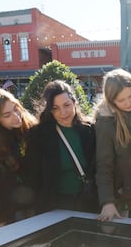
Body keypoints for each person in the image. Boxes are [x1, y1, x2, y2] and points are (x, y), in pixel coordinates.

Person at [24, 80, 97, 214]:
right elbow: (32, 176)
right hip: (54, 206)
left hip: (87, 202)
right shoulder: (39, 135)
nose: (63, 112)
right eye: (55, 108)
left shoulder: (89, 130)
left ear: (75, 103)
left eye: (67, 105)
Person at [0, 87, 38, 226]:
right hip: (11, 214)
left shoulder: (32, 129)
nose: (16, 116)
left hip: (40, 205)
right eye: (7, 115)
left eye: (16, 109)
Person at [94, 69, 131, 221]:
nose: (128, 103)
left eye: (130, 96)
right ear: (111, 101)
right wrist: (107, 201)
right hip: (118, 198)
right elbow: (103, 165)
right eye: (121, 100)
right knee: (119, 240)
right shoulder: (106, 121)